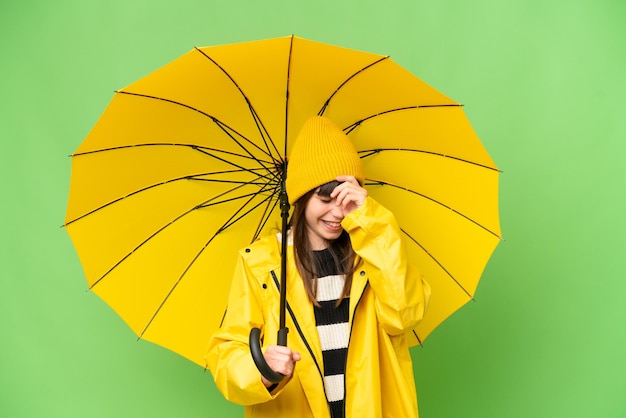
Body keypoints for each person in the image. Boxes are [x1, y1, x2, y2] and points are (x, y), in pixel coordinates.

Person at [205, 116, 431, 417]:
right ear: (301, 198)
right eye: (325, 199)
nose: (337, 212)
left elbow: (404, 316)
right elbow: (227, 352)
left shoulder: (374, 251)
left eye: (346, 199)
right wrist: (262, 369)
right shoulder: (262, 264)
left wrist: (371, 222)